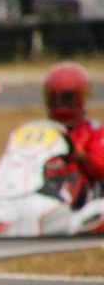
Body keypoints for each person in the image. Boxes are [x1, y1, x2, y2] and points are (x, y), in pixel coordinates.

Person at [42, 62, 104, 206]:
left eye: (66, 98)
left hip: (82, 200)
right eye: (56, 98)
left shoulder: (94, 131)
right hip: (41, 192)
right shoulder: (41, 131)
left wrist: (81, 157)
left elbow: (101, 166)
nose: (60, 103)